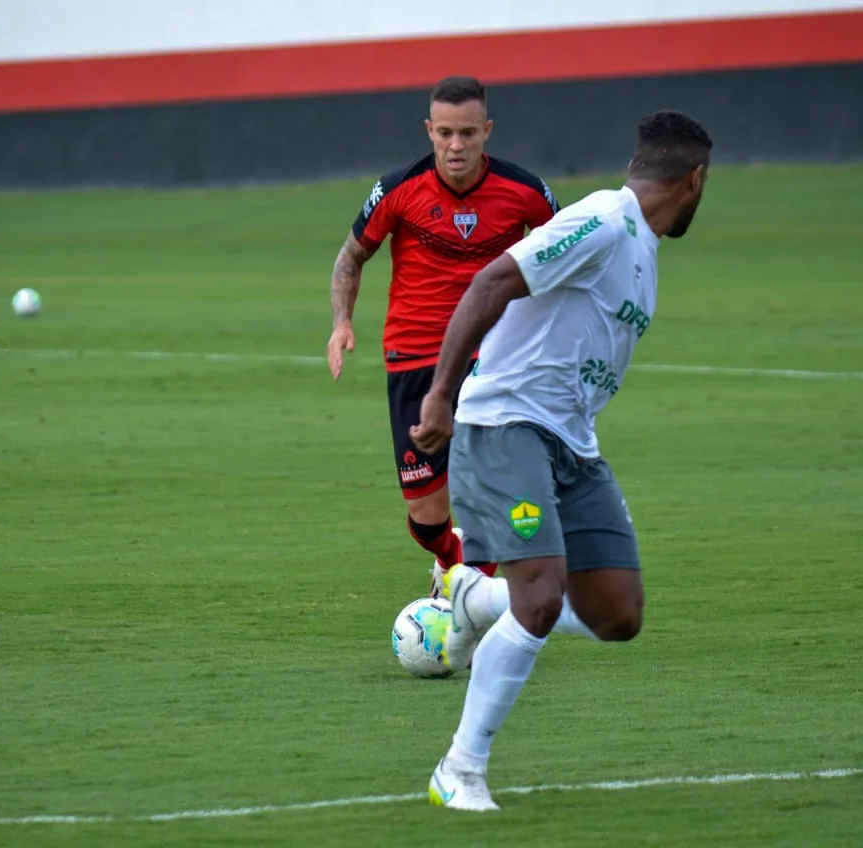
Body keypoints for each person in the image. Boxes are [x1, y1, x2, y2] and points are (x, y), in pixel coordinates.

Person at [409, 109, 713, 811]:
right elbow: (490, 282)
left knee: (617, 613)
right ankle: (459, 770)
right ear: (695, 179)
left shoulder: (644, 250)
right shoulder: (604, 221)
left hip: (572, 446)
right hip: (506, 427)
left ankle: (473, 597)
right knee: (543, 599)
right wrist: (441, 396)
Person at [326, 75, 558, 596]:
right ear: (430, 130)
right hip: (414, 356)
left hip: (492, 355)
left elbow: (563, 257)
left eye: (469, 134)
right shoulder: (398, 188)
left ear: (487, 131)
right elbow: (351, 256)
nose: (457, 146)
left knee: (500, 487)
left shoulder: (525, 192)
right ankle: (453, 563)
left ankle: (482, 596)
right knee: (427, 517)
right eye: (447, 133)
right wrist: (342, 322)